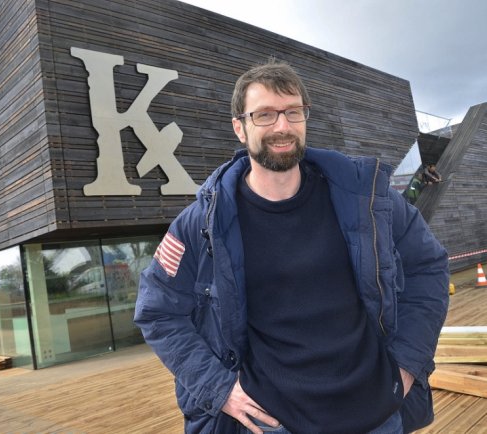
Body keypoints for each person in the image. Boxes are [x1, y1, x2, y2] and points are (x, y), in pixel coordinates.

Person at [134, 59, 449, 434]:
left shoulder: (366, 198)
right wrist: (219, 390)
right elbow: (158, 312)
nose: (282, 126)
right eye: (264, 114)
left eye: (293, 112)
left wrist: (407, 365)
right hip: (271, 423)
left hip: (376, 414)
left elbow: (427, 266)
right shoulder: (202, 222)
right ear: (240, 127)